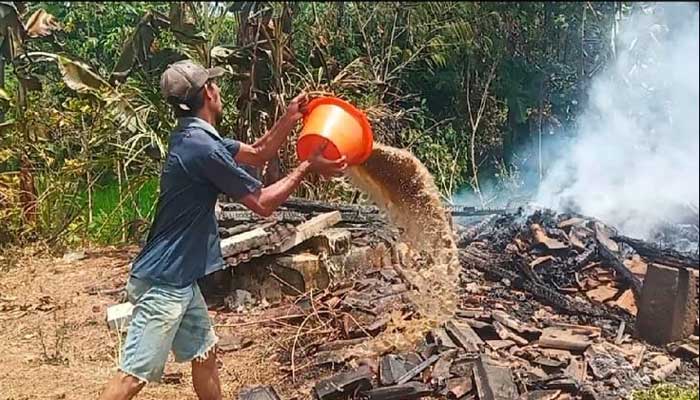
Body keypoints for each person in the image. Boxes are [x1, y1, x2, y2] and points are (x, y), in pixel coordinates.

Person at [99, 60, 347, 400]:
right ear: (207, 94)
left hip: (180, 278)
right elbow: (263, 203)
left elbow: (259, 153)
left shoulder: (194, 137)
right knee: (134, 376)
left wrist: (290, 117)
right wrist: (307, 165)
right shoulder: (202, 149)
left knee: (205, 353)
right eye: (214, 85)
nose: (219, 90)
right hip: (164, 282)